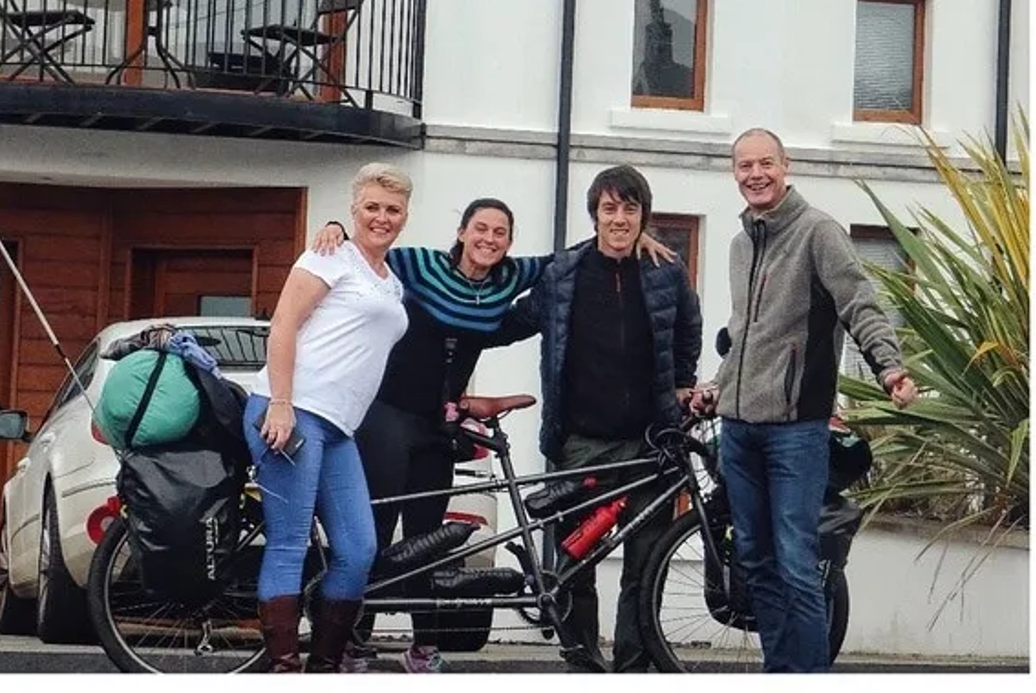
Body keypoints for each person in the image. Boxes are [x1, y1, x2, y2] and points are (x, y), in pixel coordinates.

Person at [311, 199, 674, 673]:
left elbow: (564, 261)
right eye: (479, 228)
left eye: (500, 232)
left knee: (428, 541)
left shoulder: (506, 279)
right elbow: (368, 249)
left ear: (508, 243)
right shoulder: (421, 264)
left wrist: (632, 232)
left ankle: (422, 648)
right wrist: (338, 226)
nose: (488, 239)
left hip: (439, 424)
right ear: (461, 231)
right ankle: (348, 640)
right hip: (388, 413)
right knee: (374, 535)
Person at [692, 128, 919, 673]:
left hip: (796, 430)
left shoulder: (819, 232)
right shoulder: (741, 243)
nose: (755, 175)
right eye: (744, 166)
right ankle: (780, 674)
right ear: (735, 174)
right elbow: (747, 334)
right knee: (756, 564)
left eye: (765, 163)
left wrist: (889, 366)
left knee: (796, 564)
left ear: (785, 165)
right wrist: (718, 387)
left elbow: (860, 304)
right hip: (740, 431)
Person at [497, 165, 703, 672]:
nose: (619, 218)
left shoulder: (666, 271)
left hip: (651, 446)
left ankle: (633, 668)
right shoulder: (563, 273)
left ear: (643, 216)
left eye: (629, 208)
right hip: (580, 447)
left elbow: (689, 329)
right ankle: (583, 666)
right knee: (573, 566)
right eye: (609, 208)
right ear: (594, 215)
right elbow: (511, 321)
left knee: (645, 565)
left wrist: (681, 381)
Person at [243, 162, 412, 673]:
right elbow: (283, 325)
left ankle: (324, 666)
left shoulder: (390, 280)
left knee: (359, 549)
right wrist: (280, 402)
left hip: (338, 429)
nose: (382, 217)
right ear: (354, 209)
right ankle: (285, 669)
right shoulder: (329, 254)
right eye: (372, 207)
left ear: (404, 216)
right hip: (292, 412)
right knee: (291, 542)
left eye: (393, 209)